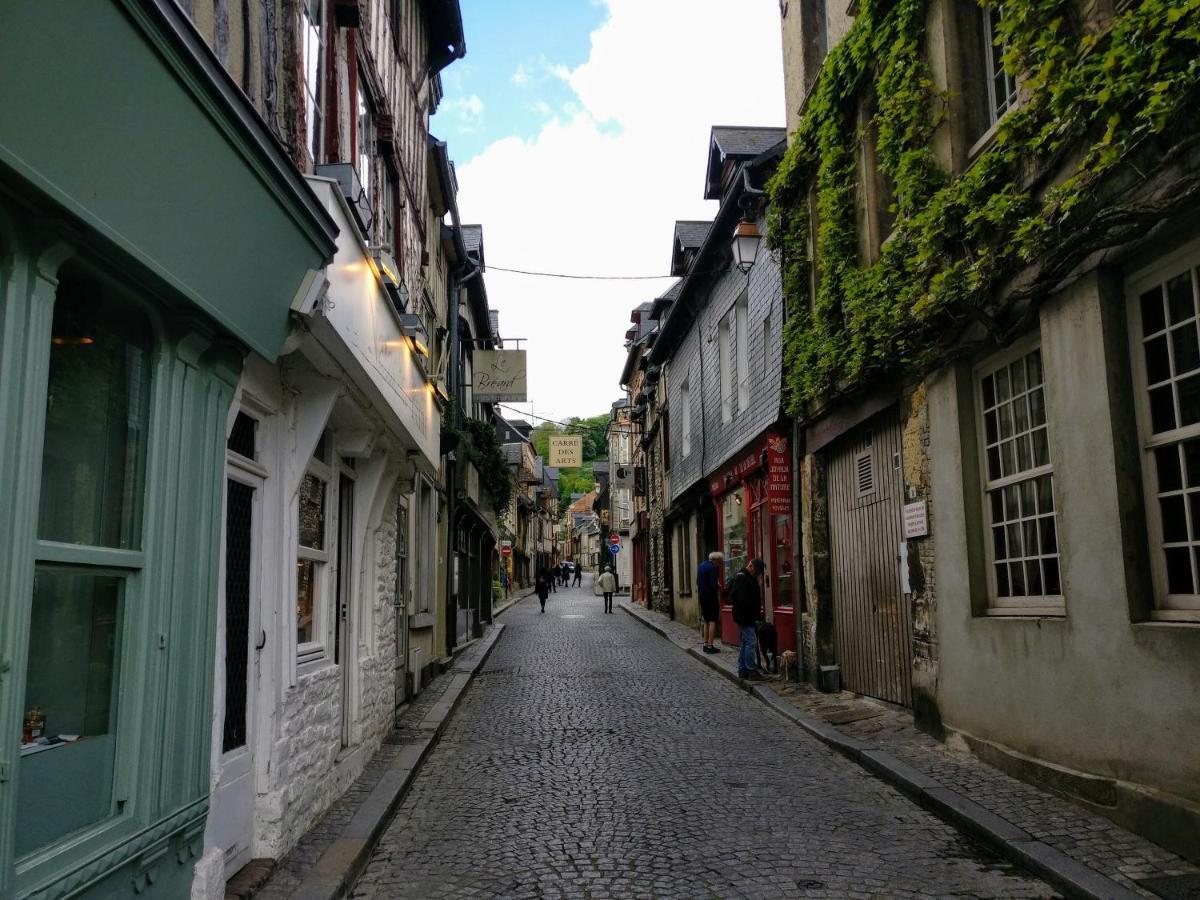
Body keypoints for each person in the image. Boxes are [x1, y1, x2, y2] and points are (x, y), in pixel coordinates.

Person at [729, 558, 767, 680]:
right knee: (751, 642)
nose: (758, 574)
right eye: (758, 571)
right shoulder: (742, 578)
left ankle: (743, 670)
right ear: (751, 567)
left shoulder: (747, 577)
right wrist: (755, 613)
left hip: (745, 615)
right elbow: (744, 600)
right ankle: (751, 671)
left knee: (745, 643)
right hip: (745, 616)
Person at [696, 551, 724, 654]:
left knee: (706, 620)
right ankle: (710, 645)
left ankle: (705, 643)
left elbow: (698, 581)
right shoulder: (712, 568)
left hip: (702, 596)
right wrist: (719, 586)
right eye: (720, 562)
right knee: (713, 620)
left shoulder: (701, 566)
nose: (720, 564)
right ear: (715, 560)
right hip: (711, 597)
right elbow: (713, 585)